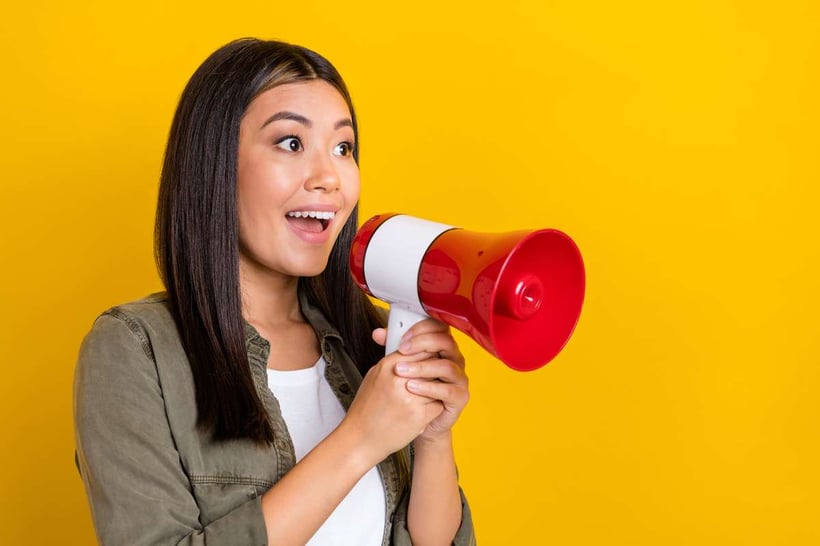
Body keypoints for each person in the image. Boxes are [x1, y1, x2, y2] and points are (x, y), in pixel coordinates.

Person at [73, 38, 475, 545]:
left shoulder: (366, 337)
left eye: (343, 147)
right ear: (216, 166)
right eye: (290, 142)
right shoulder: (135, 351)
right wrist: (360, 439)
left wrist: (433, 438)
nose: (329, 178)